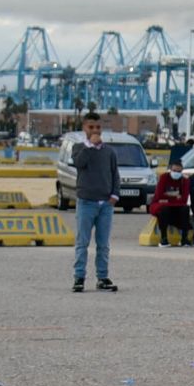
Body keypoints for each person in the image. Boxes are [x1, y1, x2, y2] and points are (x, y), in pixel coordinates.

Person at [71, 112, 119, 293]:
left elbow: (115, 174)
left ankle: (102, 276)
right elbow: (79, 163)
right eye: (91, 127)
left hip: (105, 203)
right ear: (84, 128)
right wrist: (90, 146)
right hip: (86, 202)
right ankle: (79, 277)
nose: (95, 131)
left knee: (103, 244)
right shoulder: (79, 148)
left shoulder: (109, 152)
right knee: (82, 242)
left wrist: (115, 195)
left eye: (98, 127)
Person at [148, 159, 194, 246]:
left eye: (179, 171)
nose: (176, 173)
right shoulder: (164, 177)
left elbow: (184, 199)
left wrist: (167, 196)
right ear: (170, 169)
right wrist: (175, 196)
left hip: (177, 206)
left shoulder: (184, 180)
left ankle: (184, 239)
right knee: (164, 210)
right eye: (174, 170)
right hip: (162, 205)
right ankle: (164, 238)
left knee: (185, 209)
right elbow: (159, 196)